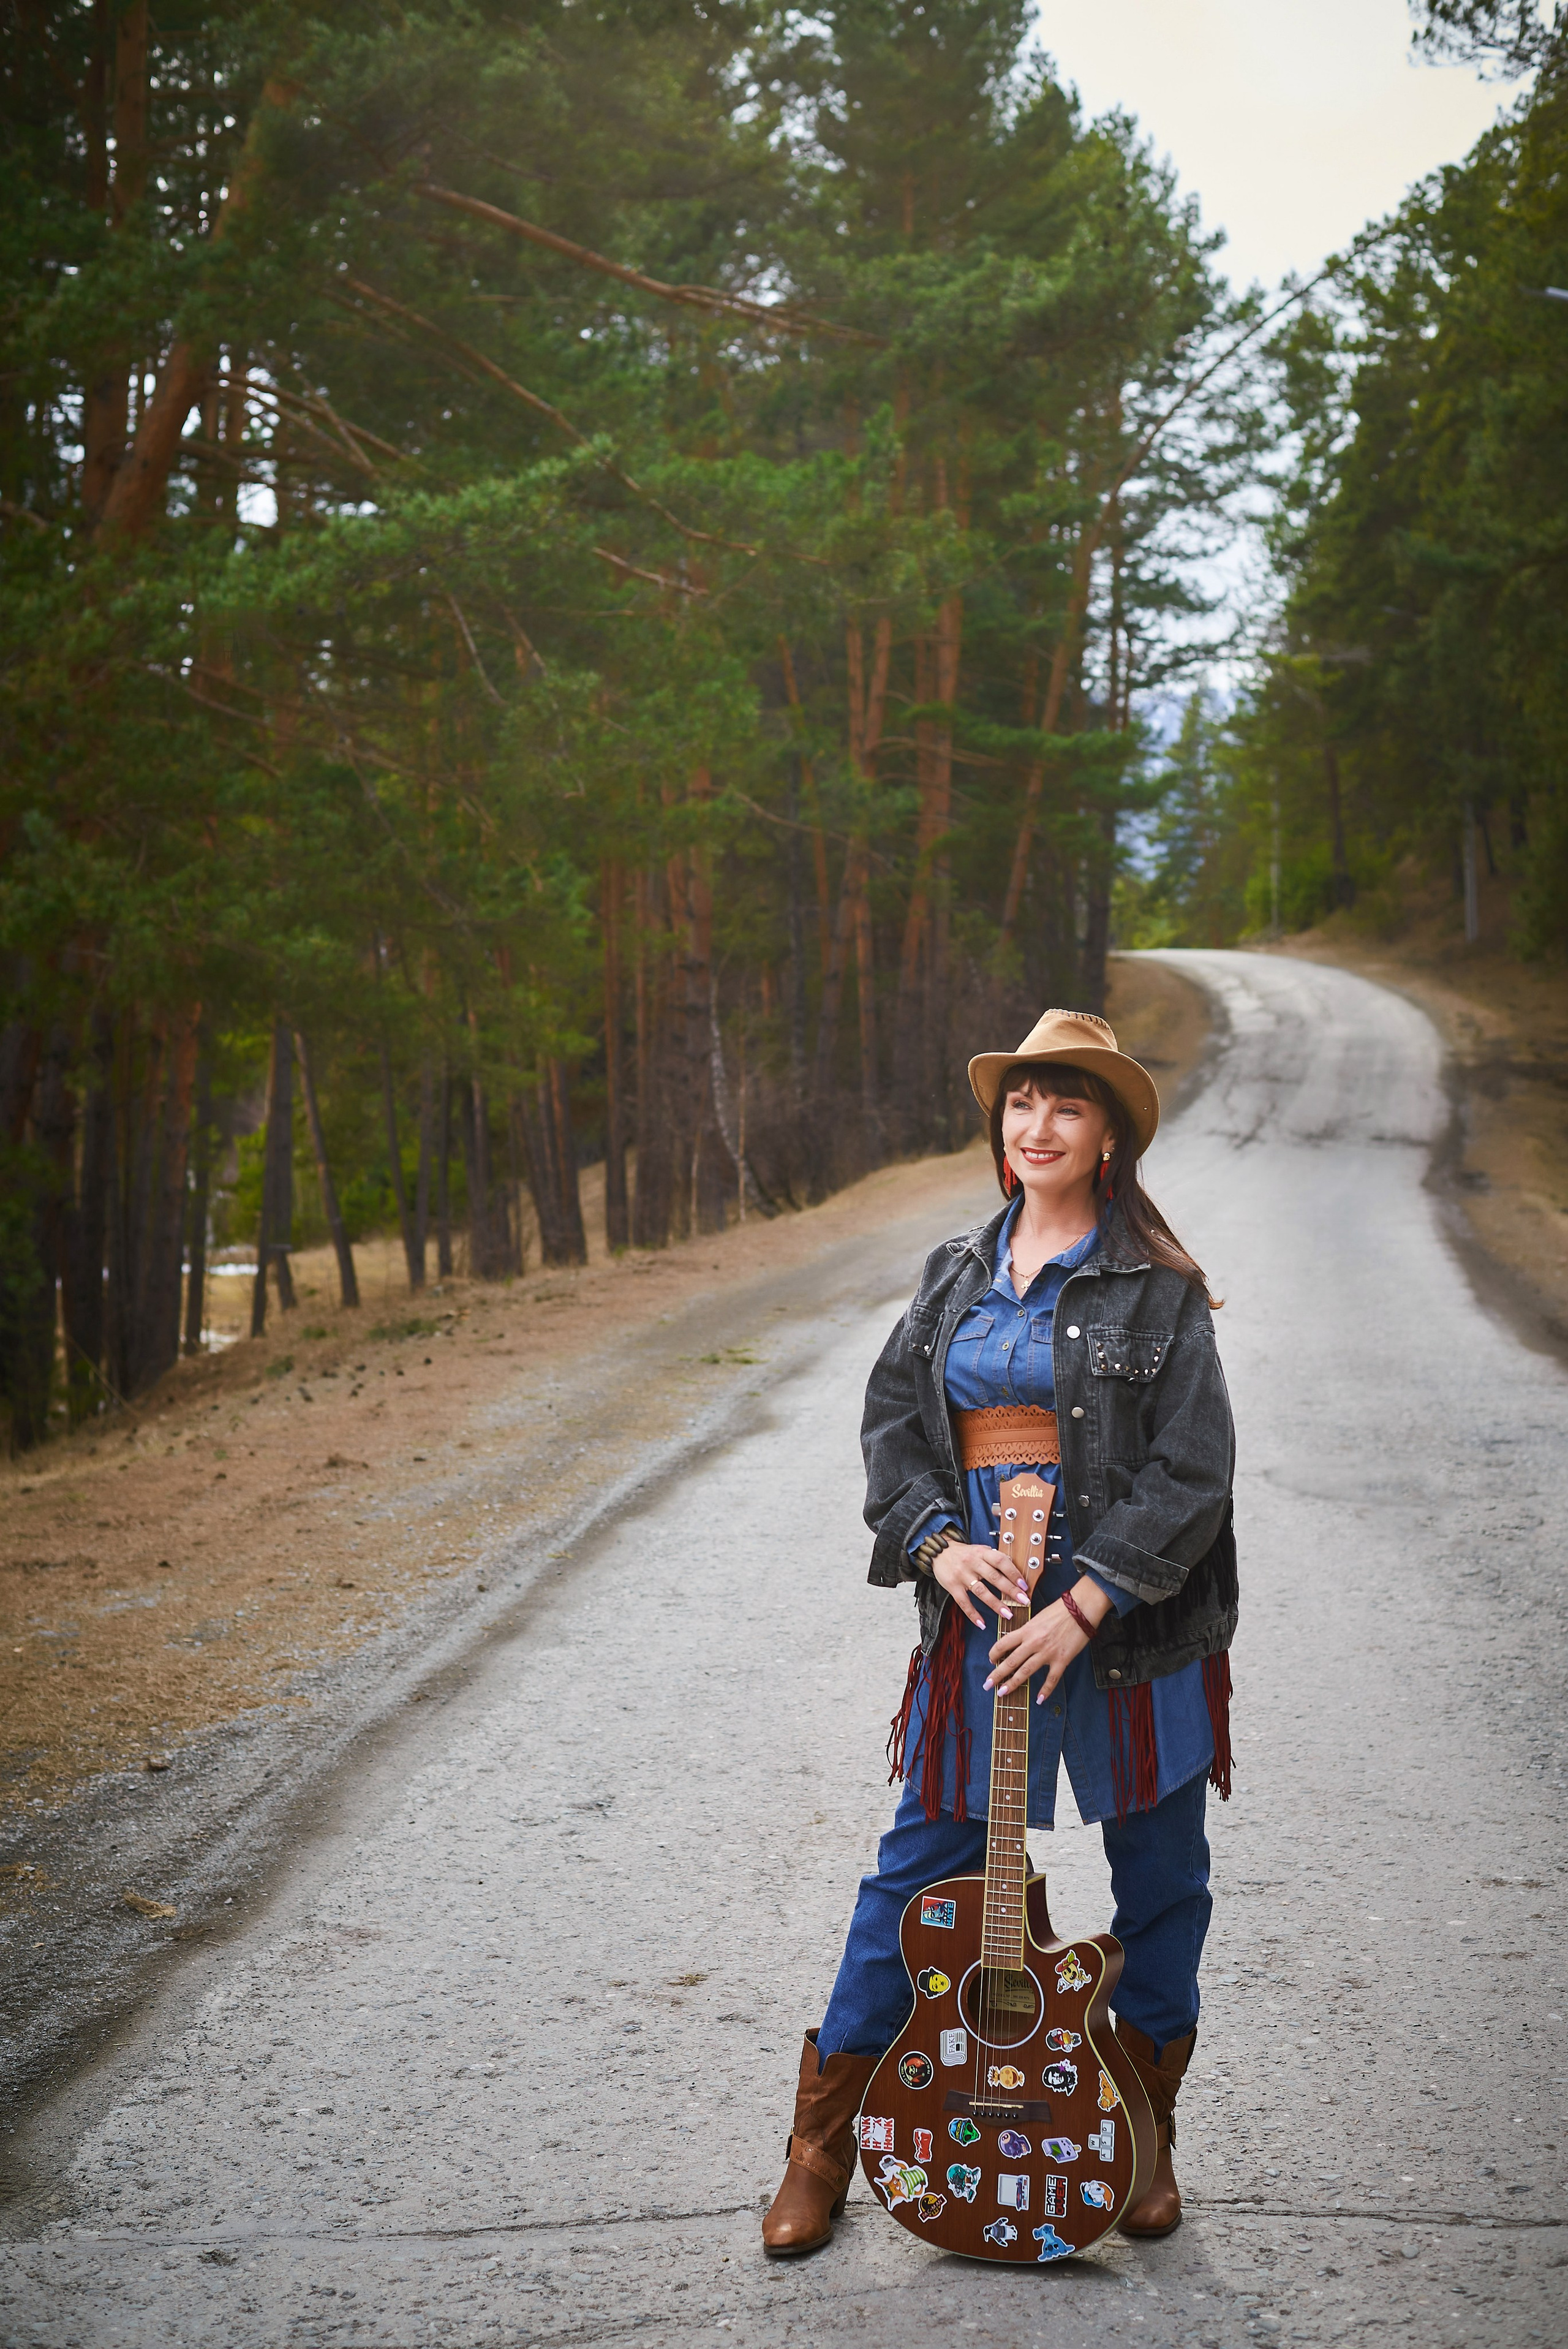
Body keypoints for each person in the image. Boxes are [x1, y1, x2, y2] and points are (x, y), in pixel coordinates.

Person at [762, 1007, 1237, 2256]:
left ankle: (1137, 2137)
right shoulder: (951, 1277)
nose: (1037, 1127)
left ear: (1108, 1137)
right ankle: (822, 2146)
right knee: (912, 1870)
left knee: (1160, 1878)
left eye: (1066, 1106)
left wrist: (1087, 1603)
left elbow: (1193, 1473)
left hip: (1127, 1631)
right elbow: (889, 1433)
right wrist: (937, 1542)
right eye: (1020, 1103)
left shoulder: (1160, 1291)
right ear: (998, 1124)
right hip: (979, 1620)